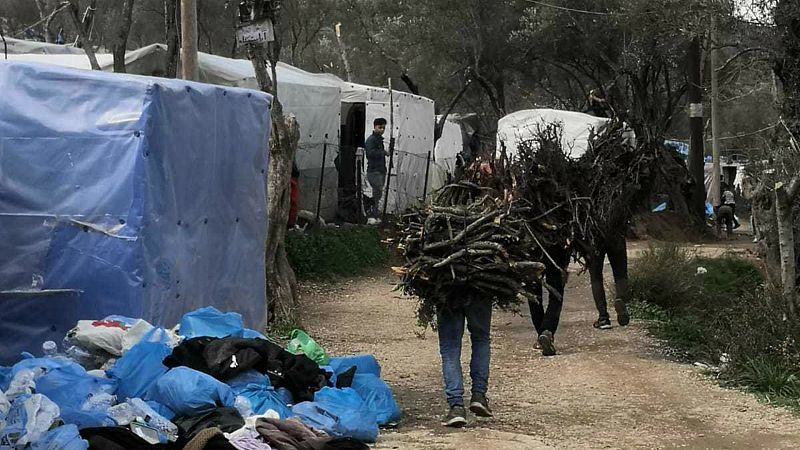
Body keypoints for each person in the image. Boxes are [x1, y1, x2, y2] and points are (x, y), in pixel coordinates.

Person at [437, 288, 493, 427]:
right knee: (481, 338)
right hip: (480, 290)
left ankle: (456, 406)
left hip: (448, 290)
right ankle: (479, 395)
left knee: (450, 348)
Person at [528, 245, 570, 356]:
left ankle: (542, 334)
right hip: (554, 248)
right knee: (556, 294)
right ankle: (547, 330)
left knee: (534, 295)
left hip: (531, 249)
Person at [588, 231, 630, 330]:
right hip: (616, 234)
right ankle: (620, 298)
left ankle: (603, 318)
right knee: (620, 274)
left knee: (596, 277)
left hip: (594, 236)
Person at [365, 118, 388, 218]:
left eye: (383, 128)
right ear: (375, 127)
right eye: (380, 127)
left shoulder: (379, 139)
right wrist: (383, 153)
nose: (382, 130)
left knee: (378, 192)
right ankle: (373, 211)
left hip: (380, 169)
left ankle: (375, 211)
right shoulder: (371, 140)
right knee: (377, 191)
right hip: (374, 170)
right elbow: (370, 154)